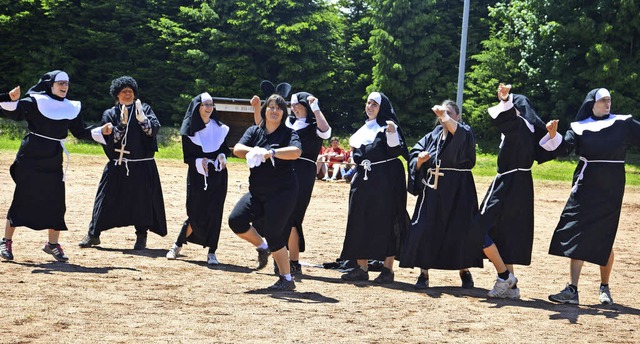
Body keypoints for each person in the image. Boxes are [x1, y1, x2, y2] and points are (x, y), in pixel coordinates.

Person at [0, 70, 112, 262]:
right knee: (22, 198)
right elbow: (15, 113)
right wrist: (10, 98)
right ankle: (6, 241)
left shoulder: (72, 107)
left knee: (56, 202)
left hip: (53, 158)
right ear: (50, 84)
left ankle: (52, 245)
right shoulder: (35, 101)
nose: (64, 87)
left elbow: (80, 132)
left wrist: (100, 130)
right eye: (60, 83)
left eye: (66, 84)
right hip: (30, 157)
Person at [545, 88, 640, 305]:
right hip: (586, 185)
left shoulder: (622, 123)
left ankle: (604, 287)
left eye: (609, 100)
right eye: (603, 100)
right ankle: (572, 289)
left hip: (611, 187)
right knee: (577, 232)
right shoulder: (580, 127)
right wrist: (553, 135)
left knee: (604, 236)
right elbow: (564, 147)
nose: (608, 103)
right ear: (592, 104)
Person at [472, 83, 557, 299]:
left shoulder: (518, 125)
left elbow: (506, 119)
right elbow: (549, 149)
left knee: (477, 228)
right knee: (506, 233)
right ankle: (511, 286)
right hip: (521, 184)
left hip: (507, 183)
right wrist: (553, 135)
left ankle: (504, 276)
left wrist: (504, 100)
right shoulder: (526, 129)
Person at [399, 100, 481, 289]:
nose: (445, 117)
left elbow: (458, 135)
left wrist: (444, 116)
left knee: (460, 229)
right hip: (433, 189)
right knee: (424, 227)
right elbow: (415, 152)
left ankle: (464, 270)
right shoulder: (432, 135)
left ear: (458, 116)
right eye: (442, 114)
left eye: (450, 113)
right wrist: (419, 162)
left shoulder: (466, 131)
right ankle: (424, 273)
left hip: (459, 189)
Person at [78, 76, 167, 250]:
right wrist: (121, 125)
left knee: (142, 202)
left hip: (142, 165)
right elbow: (110, 139)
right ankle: (93, 235)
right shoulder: (110, 113)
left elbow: (152, 131)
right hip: (118, 164)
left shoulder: (145, 109)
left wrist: (143, 121)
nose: (128, 94)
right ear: (117, 95)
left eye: (130, 91)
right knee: (104, 200)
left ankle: (141, 237)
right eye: (124, 91)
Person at [228, 94, 302, 291]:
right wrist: (253, 151)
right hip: (257, 191)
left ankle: (287, 279)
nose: (274, 111)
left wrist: (272, 153)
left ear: (283, 113)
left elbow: (296, 152)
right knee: (236, 220)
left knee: (274, 232)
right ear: (265, 110)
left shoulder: (288, 133)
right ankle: (263, 247)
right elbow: (237, 148)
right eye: (270, 107)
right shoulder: (255, 131)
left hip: (283, 192)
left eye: (278, 108)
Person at [252, 92, 331, 275]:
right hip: (282, 172)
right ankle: (281, 257)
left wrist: (316, 108)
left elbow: (326, 132)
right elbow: (262, 128)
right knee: (278, 214)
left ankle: (293, 261)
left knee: (293, 217)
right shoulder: (287, 125)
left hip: (303, 173)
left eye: (298, 104)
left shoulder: (313, 125)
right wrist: (257, 108)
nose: (294, 107)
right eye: (292, 104)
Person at [339, 92, 410, 284]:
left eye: (374, 104)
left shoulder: (388, 128)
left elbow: (396, 151)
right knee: (358, 219)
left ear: (382, 108)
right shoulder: (362, 131)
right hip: (363, 180)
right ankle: (361, 267)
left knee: (387, 220)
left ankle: (387, 269)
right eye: (368, 103)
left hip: (387, 180)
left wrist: (393, 132)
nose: (369, 107)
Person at [165, 92, 230, 264]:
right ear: (198, 107)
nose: (209, 108)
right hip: (197, 177)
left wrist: (222, 156)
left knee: (215, 213)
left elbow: (224, 149)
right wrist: (200, 161)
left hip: (218, 176)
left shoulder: (220, 128)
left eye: (211, 105)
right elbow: (188, 157)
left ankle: (212, 252)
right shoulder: (189, 131)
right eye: (205, 105)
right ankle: (177, 244)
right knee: (195, 212)